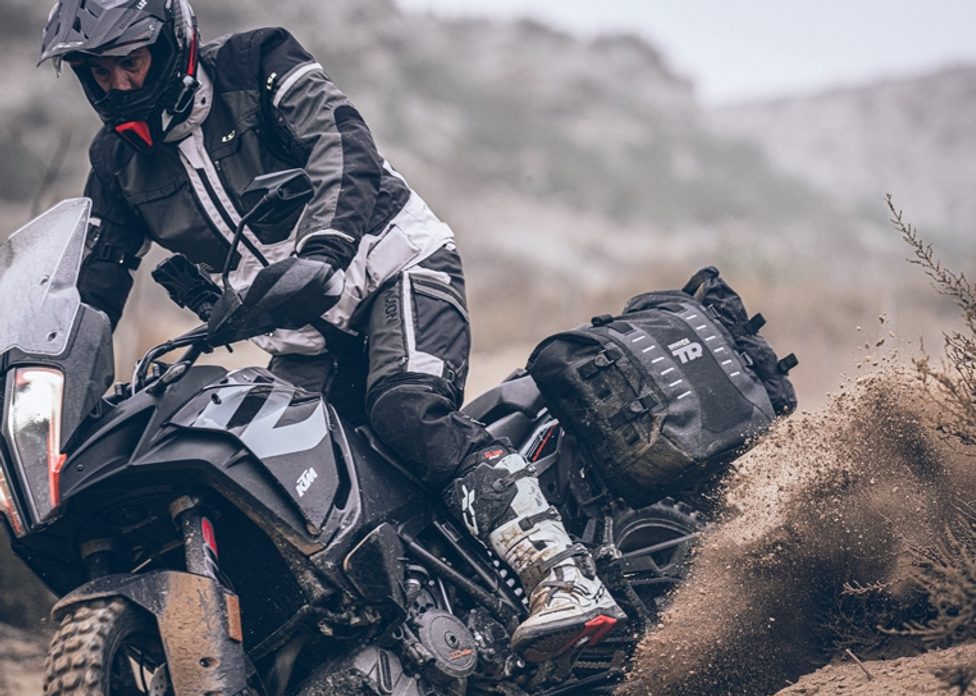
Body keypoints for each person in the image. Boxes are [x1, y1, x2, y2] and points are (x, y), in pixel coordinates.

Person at [39, 0, 623, 662]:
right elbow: (94, 285)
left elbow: (341, 146)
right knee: (274, 480)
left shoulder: (256, 62)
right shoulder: (116, 161)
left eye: (131, 61)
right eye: (99, 71)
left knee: (406, 411)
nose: (119, 84)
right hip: (299, 337)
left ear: (172, 41)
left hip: (390, 267)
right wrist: (55, 383)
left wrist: (325, 248)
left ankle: (563, 575)